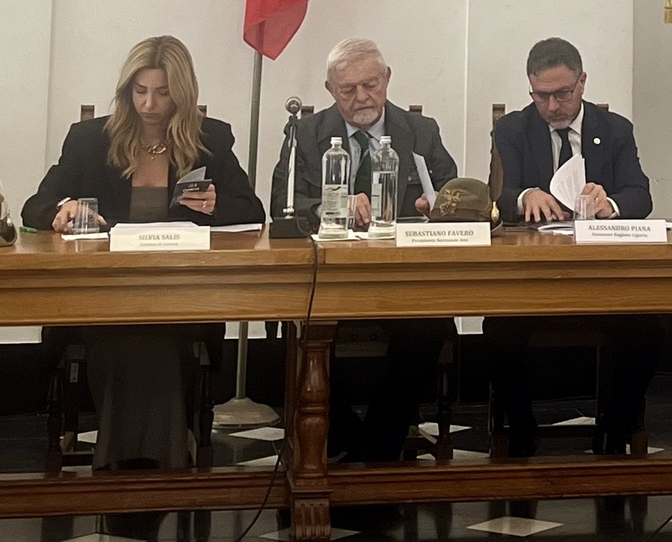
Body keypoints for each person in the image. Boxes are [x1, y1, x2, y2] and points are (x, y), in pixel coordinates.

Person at [23, 35, 265, 471]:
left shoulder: (210, 137)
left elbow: (252, 210)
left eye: (162, 92)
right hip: (104, 294)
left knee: (161, 339)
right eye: (140, 91)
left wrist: (215, 206)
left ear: (182, 94)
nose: (149, 104)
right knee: (126, 340)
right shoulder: (89, 139)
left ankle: (134, 465)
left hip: (181, 294)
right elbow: (35, 205)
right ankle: (152, 464)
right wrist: (62, 210)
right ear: (126, 91)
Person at [269, 37, 457, 461]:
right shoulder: (306, 134)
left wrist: (437, 205)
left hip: (402, 280)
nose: (361, 98)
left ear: (387, 79)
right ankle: (345, 437)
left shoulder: (420, 131)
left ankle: (378, 444)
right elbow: (282, 201)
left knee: (429, 328)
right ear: (330, 90)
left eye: (370, 85)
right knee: (302, 331)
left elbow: (452, 193)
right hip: (330, 279)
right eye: (348, 90)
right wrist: (331, 206)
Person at [489, 37, 662, 455]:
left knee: (648, 329)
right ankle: (522, 429)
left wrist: (610, 204)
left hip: (601, 275)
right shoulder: (512, 129)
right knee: (497, 330)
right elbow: (496, 196)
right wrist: (524, 196)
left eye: (562, 94)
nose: (552, 106)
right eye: (541, 95)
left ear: (582, 82)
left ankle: (615, 430)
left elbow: (640, 195)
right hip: (531, 276)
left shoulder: (615, 129)